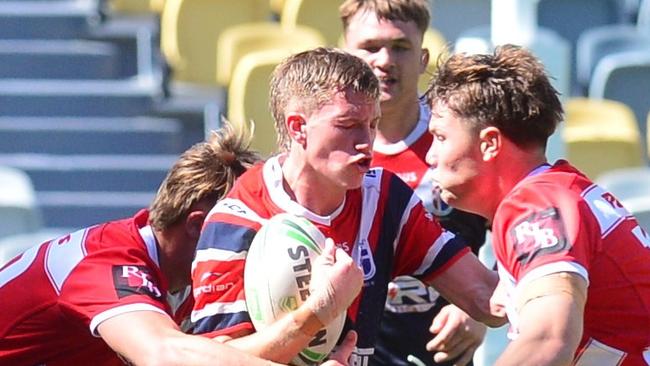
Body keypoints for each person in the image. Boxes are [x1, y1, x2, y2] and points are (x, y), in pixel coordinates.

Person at [190, 47, 504, 366]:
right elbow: (214, 360)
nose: (366, 142)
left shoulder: (384, 198)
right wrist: (318, 313)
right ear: (298, 127)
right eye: (347, 124)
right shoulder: (238, 219)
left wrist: (528, 221)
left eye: (372, 124)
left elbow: (487, 298)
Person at [0, 123, 358, 366]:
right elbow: (165, 355)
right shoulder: (107, 262)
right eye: (245, 233)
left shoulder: (180, 284)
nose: (250, 252)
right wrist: (316, 313)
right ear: (199, 226)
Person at [425, 44, 650, 365]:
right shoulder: (558, 190)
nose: (430, 156)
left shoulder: (533, 204)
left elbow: (548, 339)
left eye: (441, 137)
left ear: (489, 143)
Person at [340, 1, 488, 364]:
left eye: (400, 47)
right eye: (371, 47)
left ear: (423, 59)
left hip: (444, 353)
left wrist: (479, 308)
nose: (385, 60)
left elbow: (510, 223)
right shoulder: (326, 147)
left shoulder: (458, 138)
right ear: (344, 55)